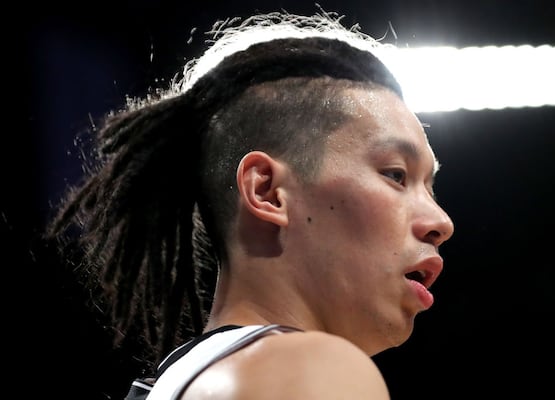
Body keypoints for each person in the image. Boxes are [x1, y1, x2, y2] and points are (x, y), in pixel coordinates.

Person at [44, 9, 454, 400]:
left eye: (430, 187)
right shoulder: (313, 369)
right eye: (396, 175)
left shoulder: (179, 381)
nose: (441, 221)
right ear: (267, 192)